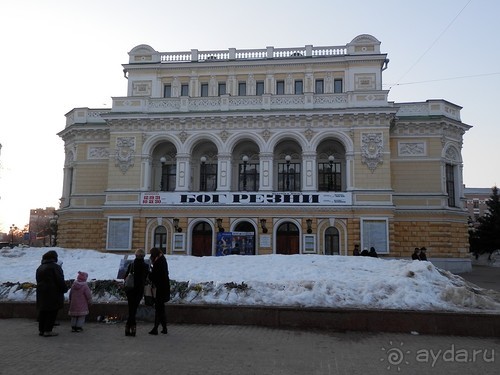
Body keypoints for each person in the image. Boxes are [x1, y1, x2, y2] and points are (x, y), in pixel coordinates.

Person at [36, 250, 68, 337]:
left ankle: (41, 330)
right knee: (52, 312)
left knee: (43, 311)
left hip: (42, 293)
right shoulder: (55, 267)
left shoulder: (40, 267)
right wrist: (65, 288)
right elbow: (59, 280)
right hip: (53, 293)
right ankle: (48, 330)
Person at [124, 248, 149, 337]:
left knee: (131, 308)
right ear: (143, 256)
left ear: (135, 255)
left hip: (130, 289)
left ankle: (128, 328)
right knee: (134, 309)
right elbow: (147, 277)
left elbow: (125, 276)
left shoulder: (131, 265)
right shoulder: (146, 266)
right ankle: (132, 328)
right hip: (139, 290)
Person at [148, 247, 170, 335]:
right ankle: (164, 328)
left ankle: (155, 328)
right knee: (161, 309)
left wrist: (149, 273)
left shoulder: (158, 262)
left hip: (160, 289)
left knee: (159, 309)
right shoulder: (162, 259)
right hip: (164, 288)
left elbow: (155, 276)